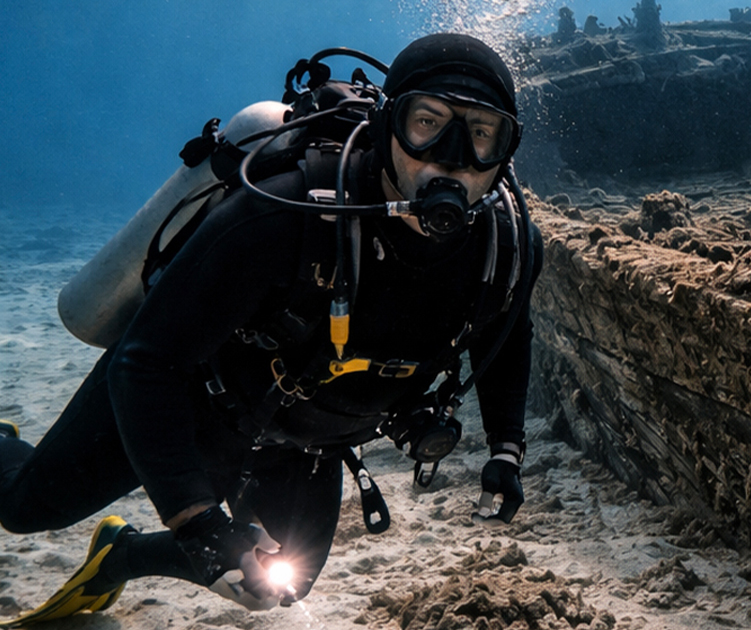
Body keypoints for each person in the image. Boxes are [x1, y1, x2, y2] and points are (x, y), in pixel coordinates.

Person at [0, 32, 542, 621]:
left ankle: (122, 556)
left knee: (283, 583)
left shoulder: (506, 248)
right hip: (195, 400)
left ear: (506, 151)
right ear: (389, 126)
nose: (451, 157)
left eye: (482, 134)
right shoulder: (282, 216)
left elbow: (506, 333)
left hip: (305, 441)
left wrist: (506, 450)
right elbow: (145, 360)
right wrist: (197, 521)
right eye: (427, 123)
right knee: (24, 508)